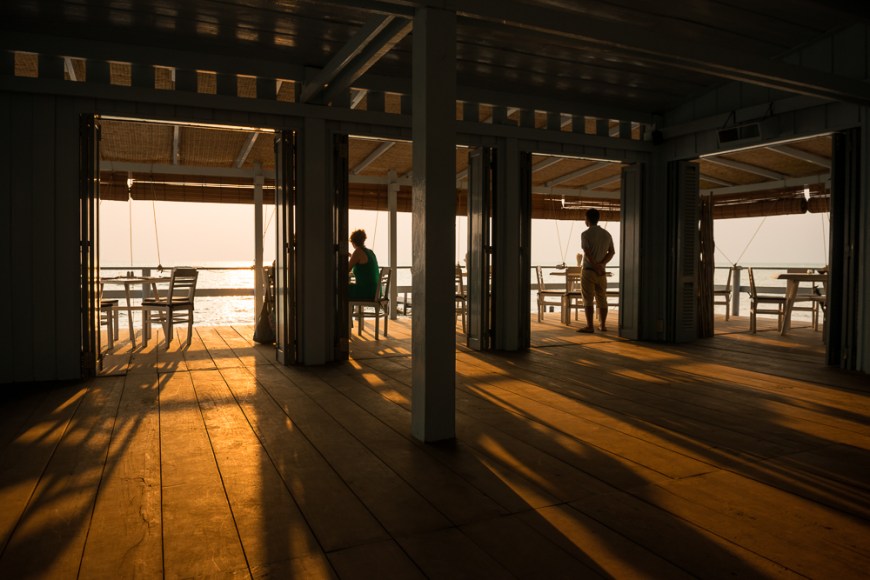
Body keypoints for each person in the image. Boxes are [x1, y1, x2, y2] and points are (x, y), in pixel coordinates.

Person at [577, 208, 614, 333]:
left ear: (587, 219)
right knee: (602, 298)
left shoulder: (585, 234)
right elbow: (612, 252)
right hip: (601, 272)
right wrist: (602, 264)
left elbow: (587, 253)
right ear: (598, 219)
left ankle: (590, 326)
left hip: (588, 271)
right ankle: (602, 325)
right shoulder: (607, 234)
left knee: (588, 299)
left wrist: (595, 265)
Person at [348, 229, 379, 299]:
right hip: (376, 291)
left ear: (353, 242)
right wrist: (351, 256)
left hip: (366, 292)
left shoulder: (357, 252)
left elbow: (346, 270)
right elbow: (361, 261)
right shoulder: (370, 252)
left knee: (341, 289)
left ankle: (345, 310)